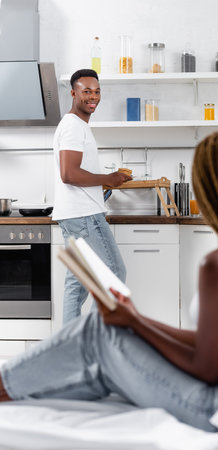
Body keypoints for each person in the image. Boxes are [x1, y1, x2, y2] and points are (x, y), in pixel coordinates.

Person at [1, 129, 218, 431]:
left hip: (215, 404)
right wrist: (135, 320)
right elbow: (211, 343)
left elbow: (207, 368)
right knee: (104, 362)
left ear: (209, 188)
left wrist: (135, 323)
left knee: (96, 331)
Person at [52, 68, 132, 324]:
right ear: (73, 93)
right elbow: (69, 173)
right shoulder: (74, 127)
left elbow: (75, 175)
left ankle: (71, 345)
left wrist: (104, 183)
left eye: (97, 92)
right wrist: (107, 179)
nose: (93, 97)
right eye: (86, 91)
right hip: (84, 217)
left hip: (75, 215)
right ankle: (94, 339)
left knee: (78, 283)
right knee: (114, 274)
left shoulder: (75, 125)